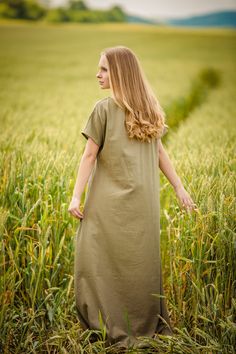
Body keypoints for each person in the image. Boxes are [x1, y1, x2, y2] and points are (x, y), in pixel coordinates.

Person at [68, 46, 197, 349]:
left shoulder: (103, 108)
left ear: (120, 73)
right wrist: (178, 187)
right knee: (140, 262)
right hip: (144, 203)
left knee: (95, 260)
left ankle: (105, 323)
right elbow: (160, 153)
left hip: (107, 204)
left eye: (104, 69)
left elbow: (89, 156)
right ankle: (143, 324)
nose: (97, 75)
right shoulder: (149, 108)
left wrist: (76, 197)